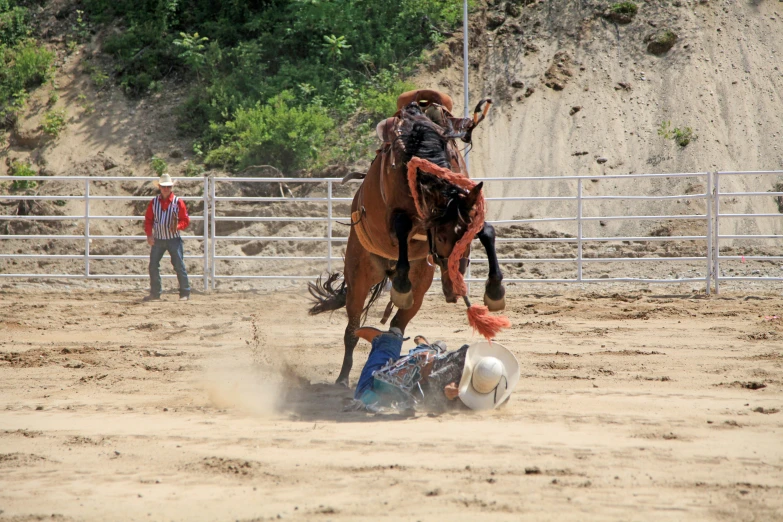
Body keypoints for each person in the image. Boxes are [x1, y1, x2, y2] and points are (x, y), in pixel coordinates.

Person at [350, 326, 519, 413]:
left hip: (431, 362)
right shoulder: (463, 371)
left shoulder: (491, 375)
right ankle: (387, 342)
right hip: (421, 369)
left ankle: (430, 347)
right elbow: (426, 377)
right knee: (366, 393)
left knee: (426, 358)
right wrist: (444, 394)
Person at [142, 173, 191, 301]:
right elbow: (148, 220)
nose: (166, 189)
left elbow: (185, 220)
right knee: (153, 265)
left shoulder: (177, 202)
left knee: (178, 265)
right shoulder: (154, 202)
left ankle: (185, 293)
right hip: (159, 238)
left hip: (173, 238)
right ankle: (155, 293)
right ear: (160, 187)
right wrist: (149, 234)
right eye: (164, 186)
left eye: (168, 186)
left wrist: (177, 226)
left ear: (171, 187)